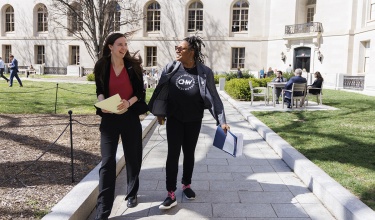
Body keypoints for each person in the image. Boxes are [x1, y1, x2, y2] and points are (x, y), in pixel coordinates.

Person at [148, 36, 230, 210]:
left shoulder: (204, 72)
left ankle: (186, 185)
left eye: (181, 48)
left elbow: (214, 96)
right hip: (174, 119)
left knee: (189, 153)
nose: (177, 50)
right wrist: (160, 112)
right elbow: (162, 91)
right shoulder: (170, 68)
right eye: (176, 47)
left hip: (194, 119)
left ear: (191, 52)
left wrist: (221, 120)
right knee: (172, 154)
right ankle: (170, 193)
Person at [93, 32, 145, 220]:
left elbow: (140, 92)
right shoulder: (102, 65)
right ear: (110, 47)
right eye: (119, 44)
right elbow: (99, 90)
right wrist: (102, 103)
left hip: (129, 118)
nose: (124, 47)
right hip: (109, 120)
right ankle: (103, 210)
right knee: (107, 162)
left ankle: (131, 194)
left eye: (125, 44)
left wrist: (128, 103)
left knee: (133, 158)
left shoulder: (133, 66)